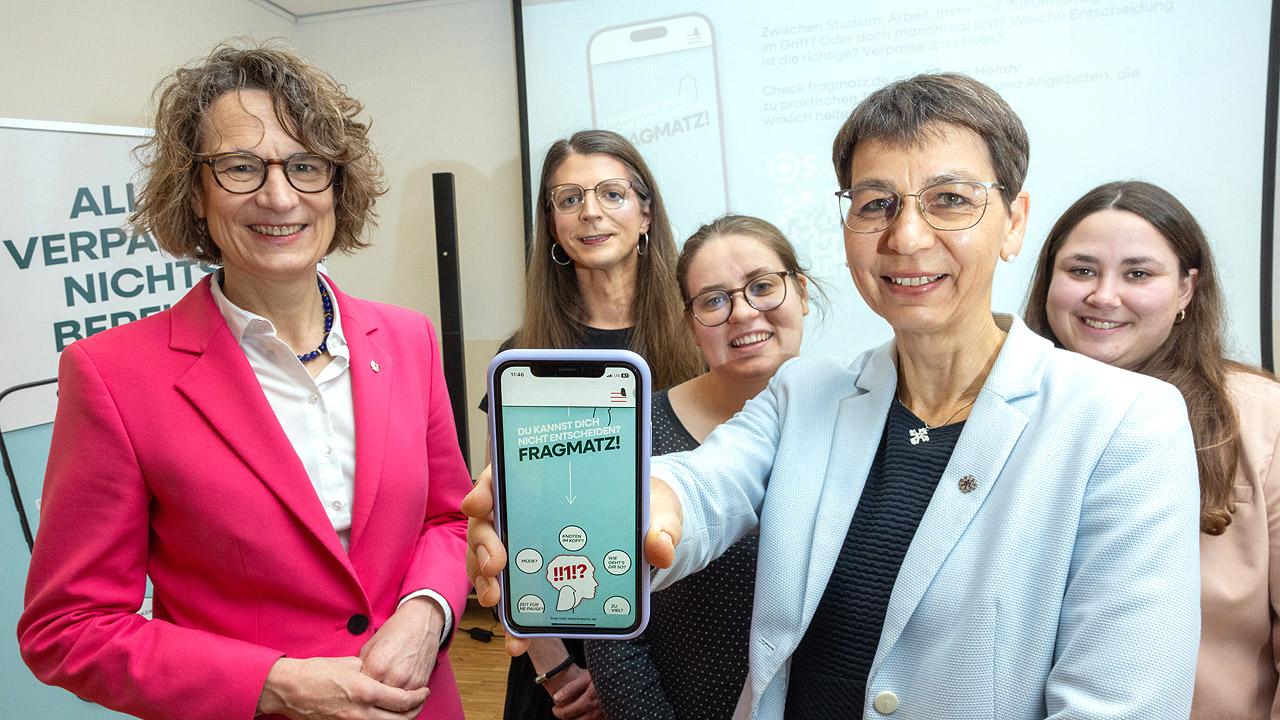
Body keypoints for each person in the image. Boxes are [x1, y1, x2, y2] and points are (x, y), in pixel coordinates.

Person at [467, 73, 1203, 719]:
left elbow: (1119, 703)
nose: (907, 236)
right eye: (876, 203)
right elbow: (702, 486)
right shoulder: (808, 392)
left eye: (950, 199)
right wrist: (592, 500)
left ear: (1013, 223)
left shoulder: (1122, 424)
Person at [18, 43, 471, 720]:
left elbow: (449, 518)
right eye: (239, 167)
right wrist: (275, 683)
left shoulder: (406, 339)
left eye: (305, 166)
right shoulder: (113, 376)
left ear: (336, 186)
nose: (279, 195)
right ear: (194, 193)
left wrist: (427, 612)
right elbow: (67, 627)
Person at [1023, 180, 1280, 720]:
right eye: (1081, 270)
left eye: (1138, 273)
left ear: (1187, 290)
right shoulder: (996, 413)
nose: (1104, 295)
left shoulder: (1263, 422)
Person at [487, 129, 702, 720]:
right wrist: (557, 670)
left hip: (679, 644)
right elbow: (504, 523)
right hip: (559, 643)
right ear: (552, 223)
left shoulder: (702, 341)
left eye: (611, 193)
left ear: (646, 213)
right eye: (568, 198)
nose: (591, 213)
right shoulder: (522, 357)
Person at [585, 215, 817, 719]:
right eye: (714, 300)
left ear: (801, 291)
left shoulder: (858, 420)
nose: (742, 312)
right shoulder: (638, 429)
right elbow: (611, 626)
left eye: (762, 286)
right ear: (691, 326)